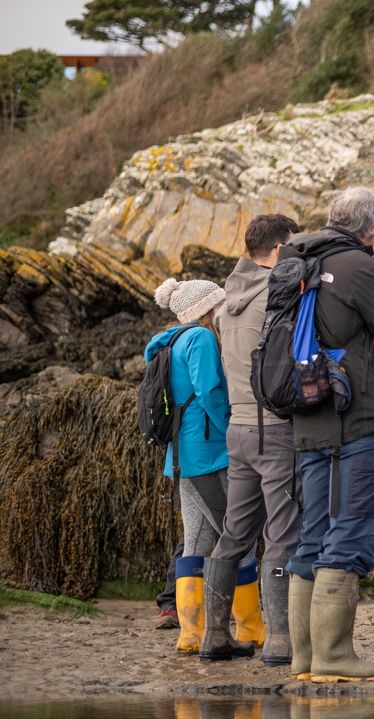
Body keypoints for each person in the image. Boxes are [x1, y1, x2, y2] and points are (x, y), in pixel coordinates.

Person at [283, 187, 374, 683]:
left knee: (312, 536)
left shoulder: (297, 263)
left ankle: (304, 658)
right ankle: (334, 657)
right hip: (358, 419)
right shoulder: (362, 268)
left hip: (308, 416)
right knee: (352, 532)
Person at [200, 214, 302, 664]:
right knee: (282, 534)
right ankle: (280, 640)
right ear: (279, 249)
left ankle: (214, 636)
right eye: (294, 247)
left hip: (237, 429)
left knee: (234, 535)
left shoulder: (227, 303)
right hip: (274, 428)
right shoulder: (276, 296)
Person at [146, 278, 256, 654]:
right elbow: (209, 390)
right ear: (207, 308)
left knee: (196, 542)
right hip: (209, 452)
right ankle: (250, 627)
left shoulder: (168, 341)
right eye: (219, 304)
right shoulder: (202, 339)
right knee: (238, 535)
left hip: (181, 456)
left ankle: (191, 634)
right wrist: (232, 429)